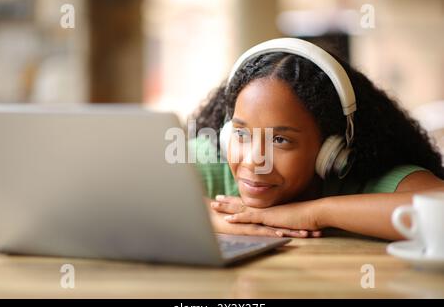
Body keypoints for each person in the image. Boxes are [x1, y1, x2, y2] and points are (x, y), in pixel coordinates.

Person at [190, 38, 444, 240]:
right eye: (241, 134)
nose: (254, 160)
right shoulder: (213, 162)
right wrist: (223, 221)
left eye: (279, 140)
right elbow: (149, 187)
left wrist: (315, 213)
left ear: (332, 150)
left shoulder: (366, 181)